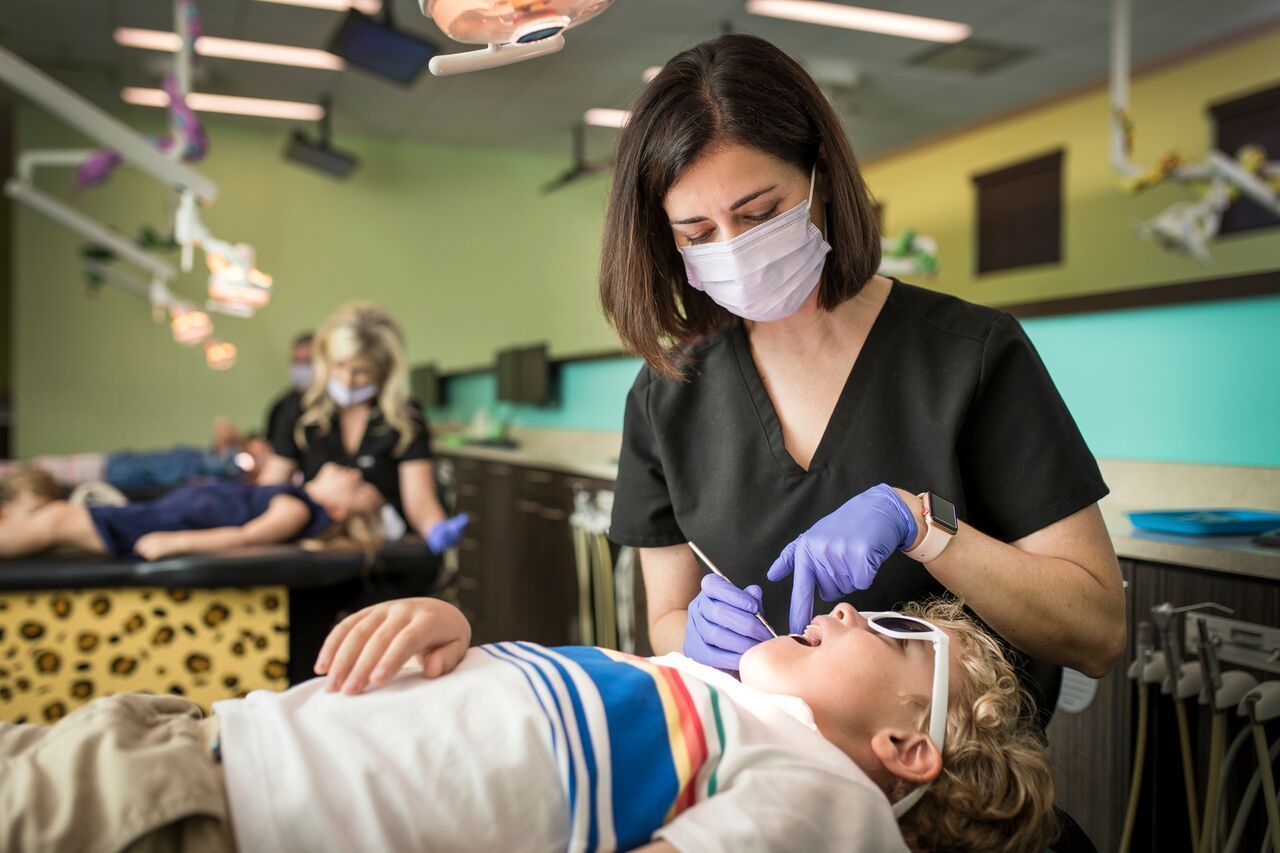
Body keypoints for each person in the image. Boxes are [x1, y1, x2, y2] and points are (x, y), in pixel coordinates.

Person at [599, 35, 1126, 703]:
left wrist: (927, 530)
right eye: (697, 233)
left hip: (955, 791)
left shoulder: (968, 354)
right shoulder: (666, 395)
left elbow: (1099, 634)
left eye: (759, 213)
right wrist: (693, 640)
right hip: (765, 772)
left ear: (819, 174)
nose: (734, 249)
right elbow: (666, 618)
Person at [1, 595, 1058, 852]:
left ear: (905, 748)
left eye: (885, 627)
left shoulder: (826, 799)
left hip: (207, 811)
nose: (837, 608)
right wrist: (455, 629)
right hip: (193, 736)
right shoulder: (719, 706)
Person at [259, 304, 467, 554]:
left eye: (361, 372)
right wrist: (313, 493)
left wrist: (435, 528)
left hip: (384, 551)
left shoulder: (405, 417)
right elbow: (270, 488)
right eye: (339, 366)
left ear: (384, 369)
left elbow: (419, 500)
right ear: (325, 360)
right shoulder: (299, 409)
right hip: (315, 551)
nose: (347, 380)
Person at [0, 461, 382, 560]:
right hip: (157, 513)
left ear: (335, 511)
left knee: (56, 520)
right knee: (50, 518)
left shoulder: (296, 509)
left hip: (161, 524)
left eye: (361, 488)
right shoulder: (289, 491)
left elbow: (244, 537)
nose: (356, 473)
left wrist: (177, 542)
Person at [0, 418, 270, 491]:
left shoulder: (238, 469)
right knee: (43, 469)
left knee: (46, 473)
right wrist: (245, 443)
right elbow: (222, 426)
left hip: (130, 473)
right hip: (129, 464)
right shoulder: (236, 456)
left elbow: (223, 459)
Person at [264, 331, 315, 449]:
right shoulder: (282, 406)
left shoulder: (334, 405)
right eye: (297, 361)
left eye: (308, 362)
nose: (301, 368)